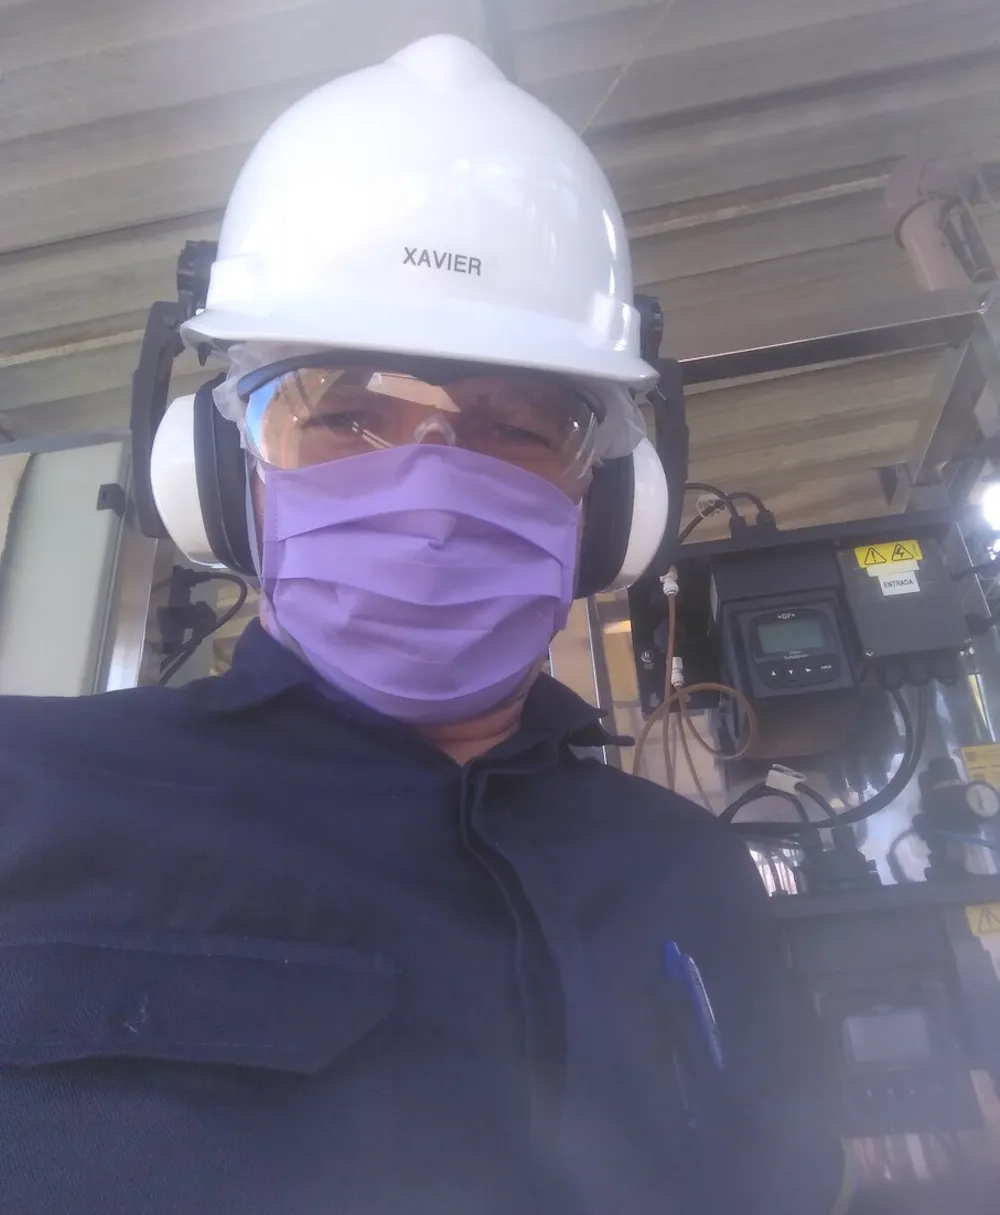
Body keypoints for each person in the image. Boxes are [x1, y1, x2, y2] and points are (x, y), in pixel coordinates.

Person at [0, 34, 850, 1215]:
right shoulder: (28, 799)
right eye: (345, 417)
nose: (432, 495)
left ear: (606, 506)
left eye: (517, 429)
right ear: (222, 476)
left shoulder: (690, 875)